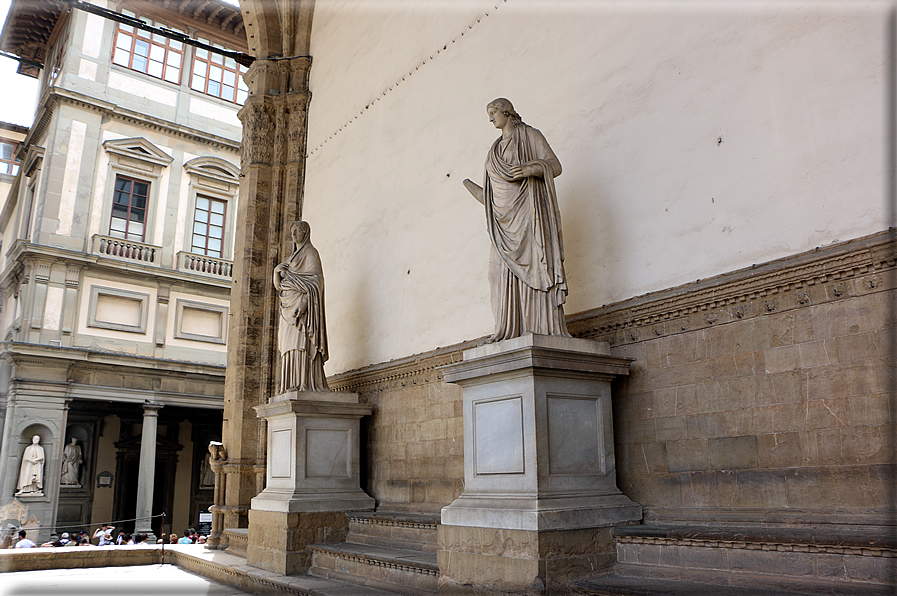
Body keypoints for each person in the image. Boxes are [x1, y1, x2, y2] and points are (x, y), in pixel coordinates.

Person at [463, 98, 571, 342]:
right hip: (502, 224)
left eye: (493, 112)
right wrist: (471, 187)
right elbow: (491, 197)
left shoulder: (530, 135)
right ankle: (508, 329)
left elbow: (555, 166)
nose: (490, 118)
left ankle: (540, 326)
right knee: (496, 275)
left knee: (534, 266)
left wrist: (534, 168)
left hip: (528, 215)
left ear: (507, 112)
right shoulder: (493, 152)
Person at [273, 221, 329, 392]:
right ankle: (290, 383)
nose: (293, 234)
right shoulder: (291, 258)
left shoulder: (311, 253)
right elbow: (279, 286)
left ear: (305, 232)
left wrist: (304, 303)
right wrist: (276, 272)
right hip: (287, 308)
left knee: (301, 344)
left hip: (302, 310)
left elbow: (317, 282)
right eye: (292, 231)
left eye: (297, 231)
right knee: (288, 346)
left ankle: (304, 383)